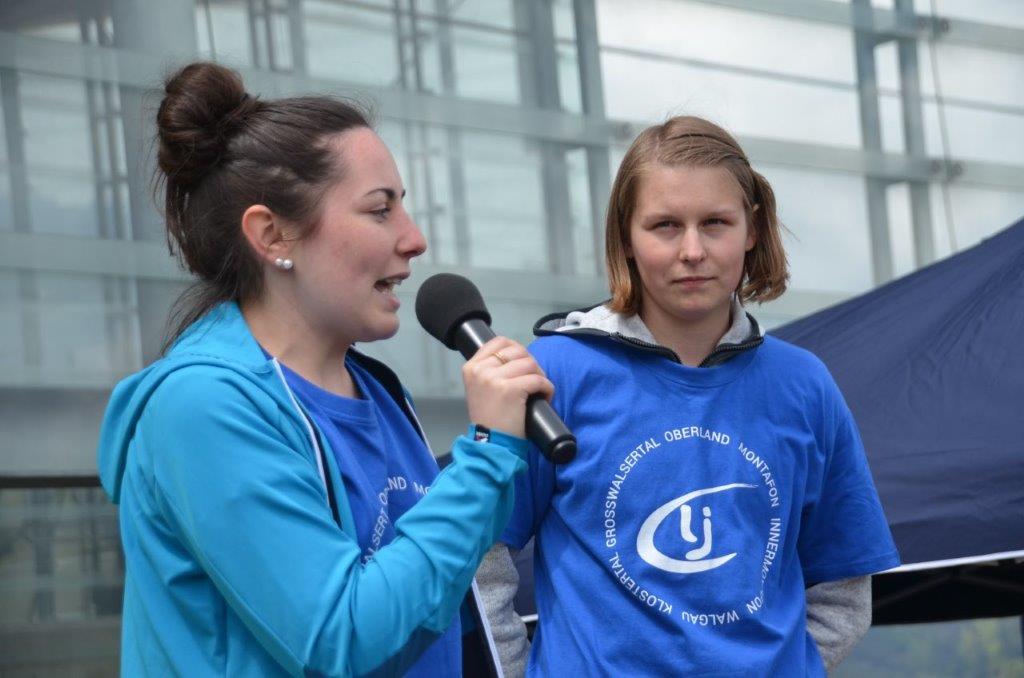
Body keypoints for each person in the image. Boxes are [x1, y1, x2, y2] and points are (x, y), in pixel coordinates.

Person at [96, 61, 553, 677]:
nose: (415, 239)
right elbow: (343, 638)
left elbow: (433, 604)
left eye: (404, 207)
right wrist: (488, 457)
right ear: (273, 235)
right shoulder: (203, 407)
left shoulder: (376, 391)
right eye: (380, 210)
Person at [480, 116, 901, 676]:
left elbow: (844, 587)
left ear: (752, 230)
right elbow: (480, 557)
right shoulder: (555, 373)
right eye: (665, 225)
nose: (693, 250)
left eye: (715, 223)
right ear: (626, 238)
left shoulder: (804, 386)